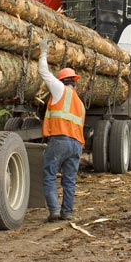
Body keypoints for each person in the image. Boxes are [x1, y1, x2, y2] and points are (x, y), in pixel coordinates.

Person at [38, 38, 86, 222]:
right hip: (76, 145)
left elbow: (43, 72)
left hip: (60, 141)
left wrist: (43, 51)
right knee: (69, 179)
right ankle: (67, 212)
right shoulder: (80, 104)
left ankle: (54, 210)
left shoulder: (59, 89)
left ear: (62, 80)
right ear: (74, 81)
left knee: (49, 174)